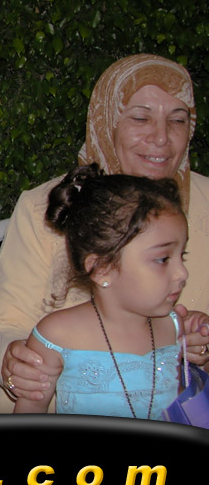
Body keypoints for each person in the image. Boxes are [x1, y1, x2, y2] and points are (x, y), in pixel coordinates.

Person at [0, 54, 209, 414]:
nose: (162, 138)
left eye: (178, 120)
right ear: (107, 121)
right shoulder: (46, 205)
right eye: (141, 118)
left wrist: (201, 347)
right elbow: (6, 323)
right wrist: (18, 363)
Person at [13, 164, 208, 418]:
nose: (182, 273)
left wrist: (199, 349)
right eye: (163, 259)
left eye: (182, 255)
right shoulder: (56, 336)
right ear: (102, 269)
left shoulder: (175, 328)